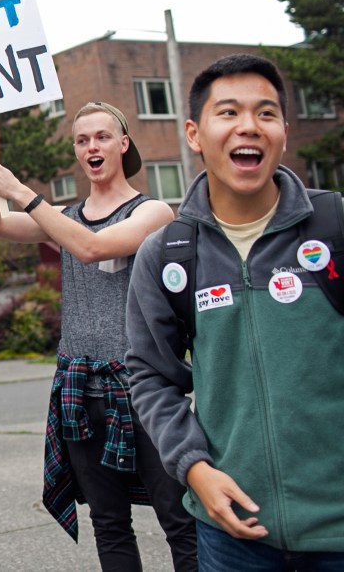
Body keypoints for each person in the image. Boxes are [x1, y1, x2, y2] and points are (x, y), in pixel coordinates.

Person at [126, 54, 344, 570]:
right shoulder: (167, 254)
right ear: (194, 134)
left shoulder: (335, 227)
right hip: (231, 536)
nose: (249, 125)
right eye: (228, 112)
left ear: (284, 133)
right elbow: (150, 376)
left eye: (266, 113)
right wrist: (193, 468)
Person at [0, 102, 196, 571]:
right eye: (82, 139)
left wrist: (21, 191)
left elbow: (92, 247)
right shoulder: (65, 217)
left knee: (180, 521)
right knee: (109, 524)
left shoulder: (153, 211)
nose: (92, 146)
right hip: (80, 391)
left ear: (123, 144)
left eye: (102, 137)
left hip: (143, 392)